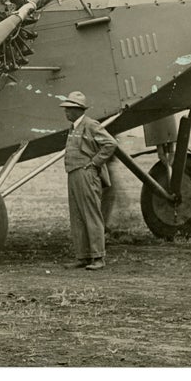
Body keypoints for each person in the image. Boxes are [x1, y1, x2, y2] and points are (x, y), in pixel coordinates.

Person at [60, 91, 117, 270]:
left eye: (69, 108)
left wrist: (94, 163)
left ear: (79, 110)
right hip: (74, 173)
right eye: (66, 108)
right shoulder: (74, 127)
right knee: (77, 216)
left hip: (86, 174)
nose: (66, 112)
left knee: (91, 215)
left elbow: (110, 143)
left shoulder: (90, 125)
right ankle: (83, 256)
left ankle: (98, 257)